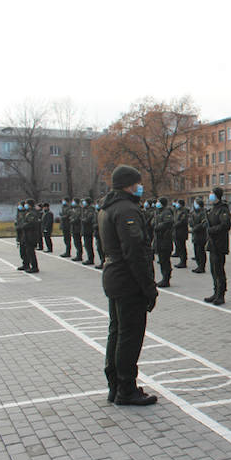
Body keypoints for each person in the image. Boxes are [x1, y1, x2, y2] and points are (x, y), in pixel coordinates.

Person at [100, 165, 158, 406]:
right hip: (127, 279)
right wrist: (148, 287)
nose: (139, 187)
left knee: (117, 331)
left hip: (114, 275)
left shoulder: (108, 207)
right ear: (128, 184)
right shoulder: (126, 210)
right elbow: (135, 252)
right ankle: (126, 388)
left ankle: (115, 385)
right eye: (137, 183)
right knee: (129, 336)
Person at [205, 187, 231, 305]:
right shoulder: (213, 209)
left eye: (212, 194)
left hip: (219, 244)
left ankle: (221, 294)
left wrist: (212, 230)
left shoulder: (223, 209)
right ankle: (215, 292)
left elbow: (225, 225)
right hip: (212, 243)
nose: (210, 196)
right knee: (213, 270)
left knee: (219, 270)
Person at [153, 198, 174, 288]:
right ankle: (164, 278)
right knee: (162, 260)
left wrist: (158, 226)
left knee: (165, 261)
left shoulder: (167, 212)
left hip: (165, 240)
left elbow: (168, 222)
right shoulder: (158, 212)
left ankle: (166, 279)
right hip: (159, 240)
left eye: (158, 202)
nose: (157, 203)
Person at [17, 200, 41, 273]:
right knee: (26, 251)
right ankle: (26, 265)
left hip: (31, 235)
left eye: (26, 204)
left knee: (31, 252)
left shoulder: (33, 213)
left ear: (30, 205)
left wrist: (22, 225)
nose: (25, 205)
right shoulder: (27, 212)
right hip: (26, 234)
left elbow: (31, 223)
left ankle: (34, 267)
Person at [189, 198, 208, 273]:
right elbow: (191, 222)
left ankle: (201, 266)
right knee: (196, 251)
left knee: (201, 252)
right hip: (195, 235)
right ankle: (198, 265)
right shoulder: (193, 212)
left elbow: (203, 224)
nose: (194, 204)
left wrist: (195, 228)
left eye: (195, 203)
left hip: (201, 235)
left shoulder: (203, 212)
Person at [173, 200, 189, 268]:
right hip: (177, 231)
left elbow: (182, 221)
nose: (176, 204)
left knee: (182, 247)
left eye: (177, 203)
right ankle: (181, 261)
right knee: (179, 246)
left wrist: (174, 225)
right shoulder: (177, 211)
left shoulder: (184, 211)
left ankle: (183, 262)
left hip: (181, 232)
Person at [81, 198, 97, 265]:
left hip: (88, 230)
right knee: (86, 245)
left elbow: (88, 219)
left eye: (84, 202)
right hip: (85, 229)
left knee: (88, 245)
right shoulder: (85, 209)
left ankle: (91, 259)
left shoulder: (90, 210)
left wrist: (82, 220)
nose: (83, 203)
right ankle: (89, 258)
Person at [93, 200, 105, 269]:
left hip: (102, 233)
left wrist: (96, 225)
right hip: (97, 233)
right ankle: (102, 261)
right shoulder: (97, 212)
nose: (97, 205)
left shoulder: (103, 212)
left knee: (102, 249)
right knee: (99, 248)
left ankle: (103, 262)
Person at [15, 202, 27, 270]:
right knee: (22, 251)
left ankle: (26, 264)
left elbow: (22, 225)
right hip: (20, 234)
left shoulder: (25, 213)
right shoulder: (19, 213)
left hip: (24, 234)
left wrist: (18, 227)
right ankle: (25, 264)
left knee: (25, 251)